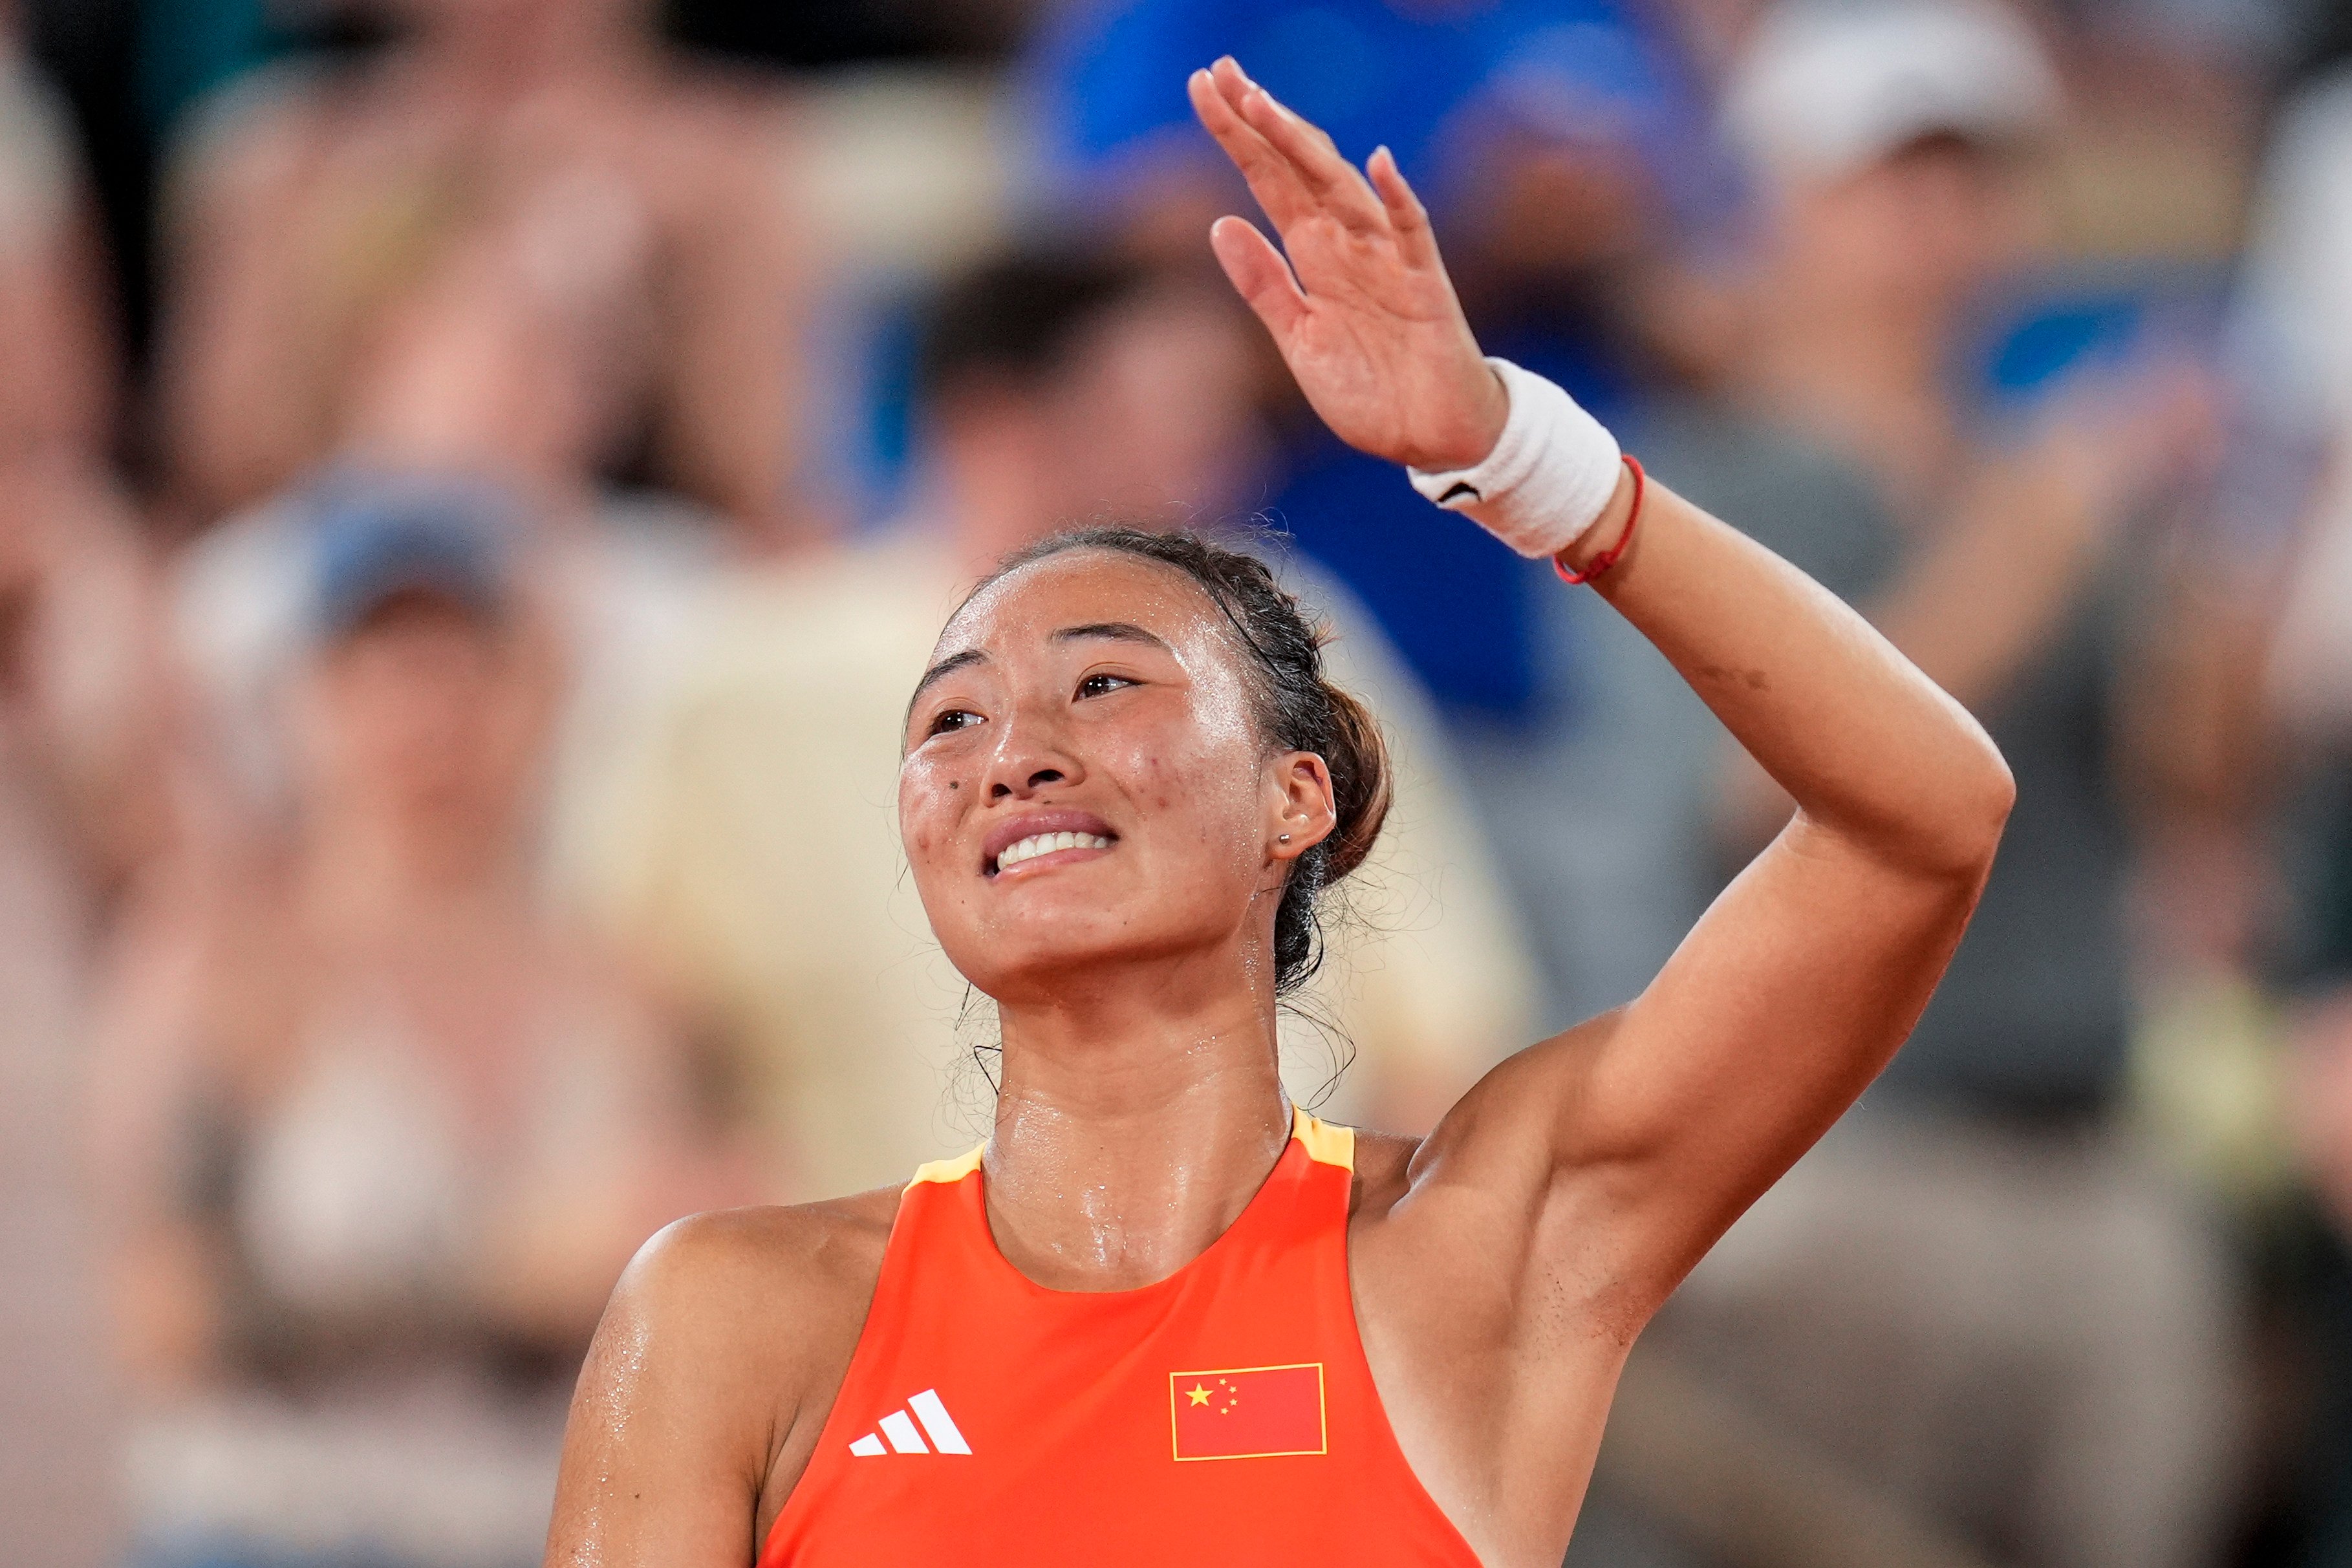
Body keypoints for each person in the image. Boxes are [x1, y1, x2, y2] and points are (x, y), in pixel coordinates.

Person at [541, 59, 2013, 1567]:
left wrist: (1519, 460)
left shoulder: (1472, 1251)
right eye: (951, 719)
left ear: (1294, 794)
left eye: (1104, 685)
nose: (1013, 752)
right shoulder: (726, 1312)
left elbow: (1924, 816)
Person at [1642, 5, 2243, 1564]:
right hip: (1841, 1164)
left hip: (2091, 1149)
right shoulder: (1688, 481)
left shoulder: (2042, 468)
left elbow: (2190, 789)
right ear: (1777, 206)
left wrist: (2214, 572)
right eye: (1889, 179)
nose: (1940, 224)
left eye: (1972, 178)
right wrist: (2046, 527)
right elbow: (1748, 782)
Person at [570, 242, 1539, 1196]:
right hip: (884, 1321)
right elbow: (627, 1032)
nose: (1232, 468)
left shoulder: (1289, 631)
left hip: (1272, 1302)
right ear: (1000, 426)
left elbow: (1445, 1027)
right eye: (1177, 423)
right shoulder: (737, 684)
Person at [92, 500, 755, 1568]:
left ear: (532, 696)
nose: (425, 715)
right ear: (303, 703)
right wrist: (494, 1277)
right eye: (381, 671)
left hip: (537, 1525)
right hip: (278, 1526)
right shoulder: (225, 964)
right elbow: (155, 1316)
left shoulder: (632, 989)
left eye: (464, 668)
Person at [154, 0, 815, 540]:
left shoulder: (724, 169)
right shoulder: (281, 160)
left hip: (632, 588)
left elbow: (765, 474)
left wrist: (648, 287)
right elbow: (221, 461)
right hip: (339, 583)